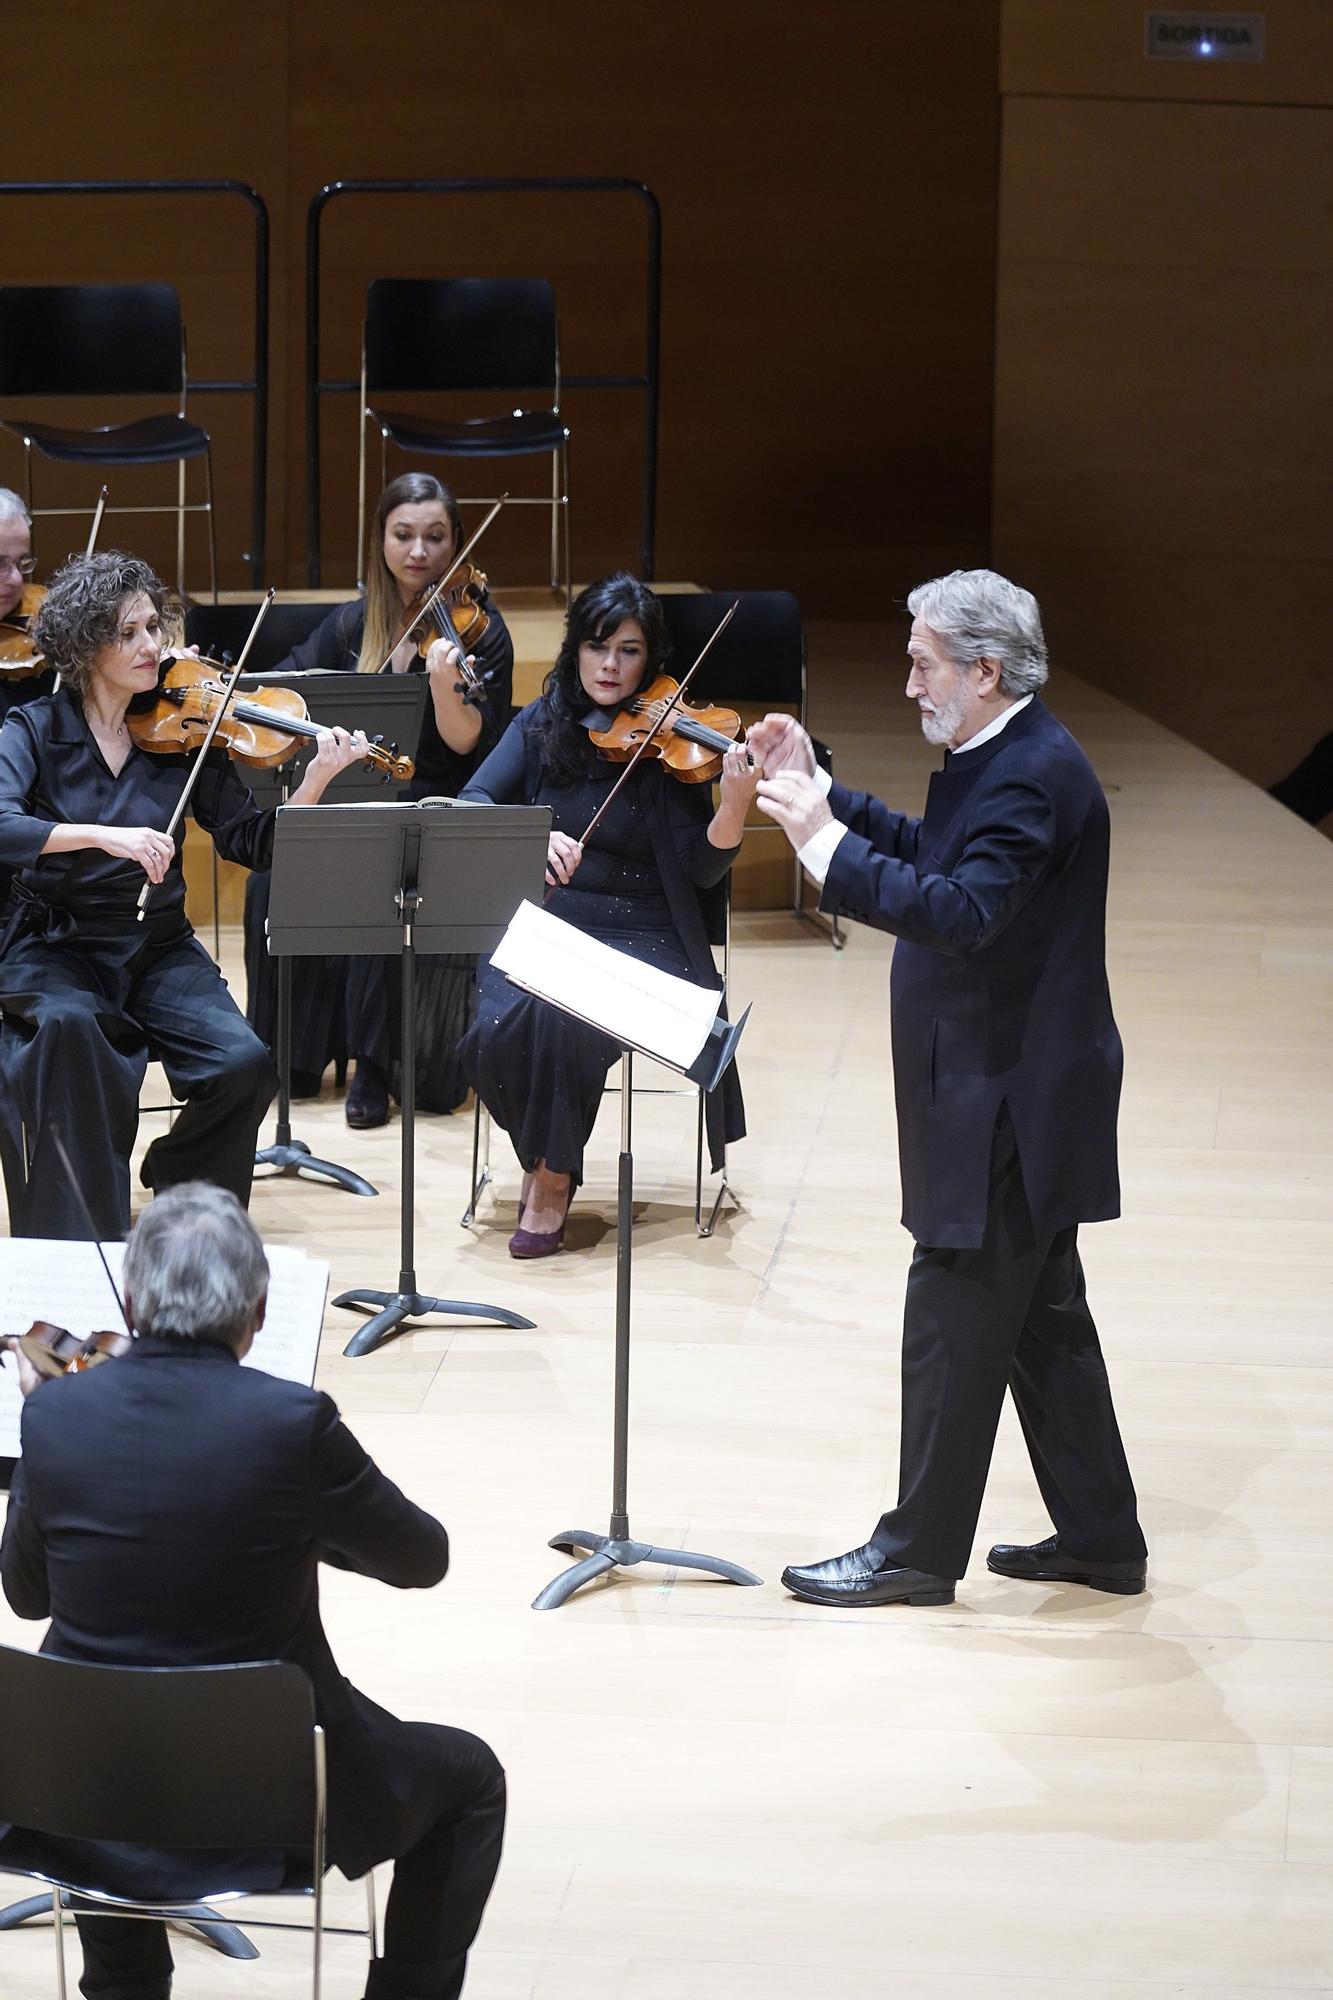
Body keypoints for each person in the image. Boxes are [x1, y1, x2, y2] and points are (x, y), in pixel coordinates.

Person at [0, 1181, 506, 2000]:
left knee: (94, 1720)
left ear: (131, 1298)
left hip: (82, 1788)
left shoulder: (57, 1416)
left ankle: (124, 1982)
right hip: (267, 1802)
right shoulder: (291, 1423)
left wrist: (41, 1451)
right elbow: (422, 1559)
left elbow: (25, 1597)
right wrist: (306, 1515)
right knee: (472, 1782)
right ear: (260, 1310)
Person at [752, 568, 1147, 1605]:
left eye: (922, 663)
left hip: (1007, 1095)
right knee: (1040, 1318)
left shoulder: (1027, 775)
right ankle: (1103, 1537)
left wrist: (820, 845)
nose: (908, 682)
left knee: (951, 1306)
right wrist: (824, 791)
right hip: (1008, 1080)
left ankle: (916, 1550)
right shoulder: (1000, 751)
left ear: (984, 667)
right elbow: (937, 853)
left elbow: (962, 910)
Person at [0, 550, 371, 1240]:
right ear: (85, 648)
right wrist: (101, 837)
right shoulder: (34, 731)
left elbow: (252, 843)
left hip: (155, 943)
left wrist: (316, 778)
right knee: (73, 1036)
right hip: (58, 944)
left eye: (154, 628)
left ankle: (178, 1179)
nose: (154, 647)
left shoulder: (184, 734)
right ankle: (86, 1248)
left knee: (243, 1065)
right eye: (130, 633)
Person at [458, 572, 752, 1256]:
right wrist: (529, 837)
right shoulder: (542, 720)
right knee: (488, 1034)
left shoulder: (670, 742)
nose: (611, 667)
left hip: (641, 932)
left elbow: (700, 870)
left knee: (563, 1020)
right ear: (575, 650)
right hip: (546, 922)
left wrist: (734, 805)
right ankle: (543, 1157)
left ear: (649, 659)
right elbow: (472, 803)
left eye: (628, 651)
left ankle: (552, 1178)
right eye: (597, 648)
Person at [242, 472, 513, 1123]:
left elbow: (471, 744)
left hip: (437, 803)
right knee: (265, 880)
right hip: (357, 794)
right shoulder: (356, 621)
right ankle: (294, 1057)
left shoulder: (481, 632)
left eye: (435, 536)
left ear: (454, 543)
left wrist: (445, 684)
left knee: (384, 866)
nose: (418, 552)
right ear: (381, 541)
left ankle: (372, 1064)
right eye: (403, 535)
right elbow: (287, 683)